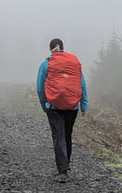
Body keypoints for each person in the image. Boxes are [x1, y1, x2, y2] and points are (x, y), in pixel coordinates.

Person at [36, 38, 87, 183]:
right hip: (72, 106)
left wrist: (44, 104)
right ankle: (65, 165)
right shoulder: (74, 63)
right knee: (67, 135)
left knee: (58, 136)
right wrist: (84, 105)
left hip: (54, 106)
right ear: (63, 47)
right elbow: (82, 84)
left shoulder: (47, 63)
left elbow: (40, 87)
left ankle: (62, 171)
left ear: (50, 49)